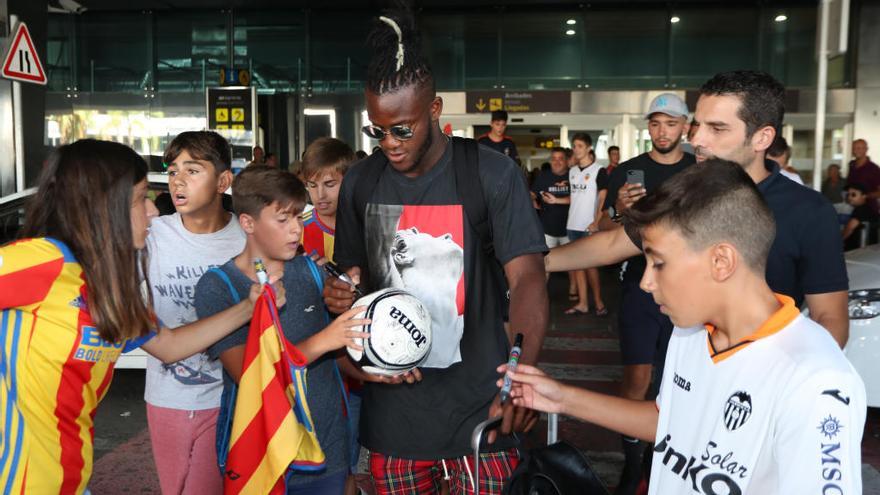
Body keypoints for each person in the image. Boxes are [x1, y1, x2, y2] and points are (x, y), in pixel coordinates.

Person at [502, 159, 866, 495]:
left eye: (658, 264)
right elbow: (671, 423)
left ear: (721, 261)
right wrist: (561, 397)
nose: (646, 282)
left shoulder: (816, 382)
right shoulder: (689, 331)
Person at [324, 10, 548, 494]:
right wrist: (341, 295)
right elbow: (352, 280)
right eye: (376, 131)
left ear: (435, 109)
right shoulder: (361, 182)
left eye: (401, 129)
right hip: (395, 420)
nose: (389, 143)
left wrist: (520, 379)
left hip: (482, 411)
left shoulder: (489, 174)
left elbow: (528, 279)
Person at [0, 139, 282, 494]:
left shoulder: (108, 285)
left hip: (70, 479)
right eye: (139, 198)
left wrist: (248, 306)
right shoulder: (43, 260)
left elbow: (170, 345)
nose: (152, 210)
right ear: (103, 206)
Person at [546, 71, 849, 349]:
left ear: (762, 138)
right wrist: (530, 262)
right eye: (697, 126)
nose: (697, 140)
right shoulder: (685, 189)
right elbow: (614, 243)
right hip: (683, 369)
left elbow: (829, 319)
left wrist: (794, 389)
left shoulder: (809, 212)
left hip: (759, 385)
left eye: (717, 129)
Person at [194, 165, 369, 494]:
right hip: (264, 458)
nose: (295, 231)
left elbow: (338, 356)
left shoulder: (312, 272)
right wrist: (324, 340)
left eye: (299, 218)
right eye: (282, 219)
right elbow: (250, 376)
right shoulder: (218, 287)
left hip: (328, 450)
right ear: (247, 222)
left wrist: (372, 372)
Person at [596, 92, 695, 493]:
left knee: (679, 378)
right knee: (636, 379)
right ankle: (632, 462)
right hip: (639, 285)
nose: (662, 131)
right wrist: (618, 208)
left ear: (684, 127)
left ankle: (664, 461)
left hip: (688, 290)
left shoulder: (699, 168)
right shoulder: (629, 170)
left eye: (671, 123)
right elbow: (602, 231)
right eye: (655, 123)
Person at [142, 131, 246, 494]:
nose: (178, 181)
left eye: (192, 170)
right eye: (172, 171)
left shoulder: (246, 239)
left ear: (223, 181)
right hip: (167, 400)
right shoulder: (152, 235)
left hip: (231, 398)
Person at [299, 136, 364, 495]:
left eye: (330, 183)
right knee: (340, 457)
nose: (320, 194)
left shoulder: (369, 227)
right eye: (311, 185)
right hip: (324, 365)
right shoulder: (298, 233)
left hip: (368, 354)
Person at [544, 133, 607, 316]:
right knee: (578, 266)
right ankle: (583, 303)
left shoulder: (598, 170)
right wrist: (556, 200)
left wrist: (596, 221)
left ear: (588, 148)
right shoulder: (572, 172)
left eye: (579, 146)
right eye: (574, 146)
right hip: (572, 225)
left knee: (591, 267)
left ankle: (599, 302)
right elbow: (575, 198)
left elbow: (602, 197)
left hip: (589, 226)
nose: (576, 149)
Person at [529, 148, 577, 298]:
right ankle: (541, 293)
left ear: (566, 161)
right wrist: (532, 200)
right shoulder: (544, 176)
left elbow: (580, 198)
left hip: (569, 227)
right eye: (554, 159)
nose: (556, 162)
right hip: (548, 227)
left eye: (560, 158)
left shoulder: (574, 176)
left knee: (573, 263)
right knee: (546, 263)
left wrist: (557, 200)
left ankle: (574, 288)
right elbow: (532, 193)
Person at [847, 138, 880, 212]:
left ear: (866, 149)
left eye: (859, 148)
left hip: (868, 209)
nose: (856, 151)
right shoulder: (852, 165)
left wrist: (865, 196)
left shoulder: (873, 168)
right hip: (852, 207)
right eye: (854, 148)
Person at [843, 183, 879, 251]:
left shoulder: (861, 210)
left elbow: (849, 229)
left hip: (856, 252)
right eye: (848, 194)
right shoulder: (866, 209)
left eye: (853, 194)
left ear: (864, 196)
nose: (850, 197)